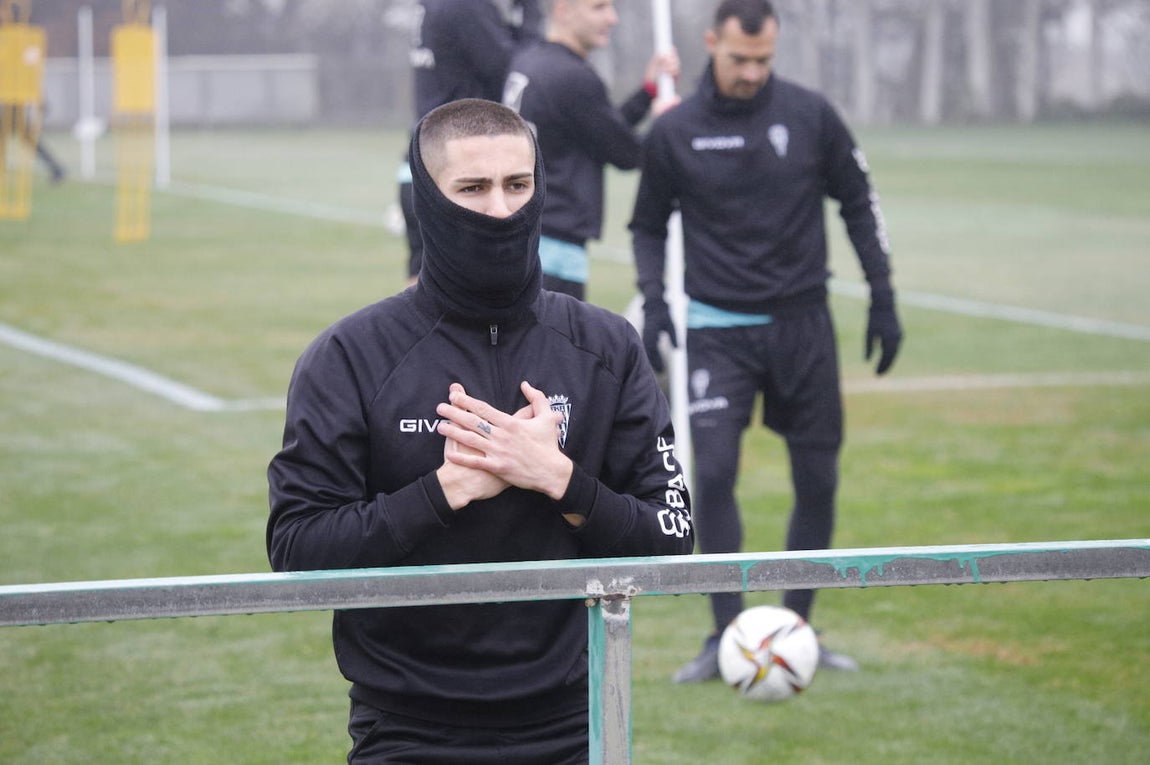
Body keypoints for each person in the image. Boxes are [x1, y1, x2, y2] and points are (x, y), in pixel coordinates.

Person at [268, 98, 693, 763]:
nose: (501, 210)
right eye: (472, 188)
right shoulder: (350, 355)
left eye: (517, 185)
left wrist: (560, 479)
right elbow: (295, 548)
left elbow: (673, 536)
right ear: (427, 201)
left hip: (574, 724)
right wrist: (443, 490)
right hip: (405, 730)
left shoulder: (606, 346)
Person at [628, 0, 903, 682]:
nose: (751, 72)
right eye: (738, 59)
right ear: (711, 43)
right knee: (712, 475)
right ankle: (725, 637)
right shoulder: (676, 131)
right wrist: (657, 307)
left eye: (763, 60)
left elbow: (859, 201)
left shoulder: (811, 117)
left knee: (818, 478)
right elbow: (647, 225)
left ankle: (798, 627)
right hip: (717, 332)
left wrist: (883, 294)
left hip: (803, 327)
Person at [502, 0, 679, 300]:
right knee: (554, 346)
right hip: (555, 248)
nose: (612, 18)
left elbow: (599, 132)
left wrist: (647, 93)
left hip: (524, 236)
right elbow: (626, 153)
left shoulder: (530, 61)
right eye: (599, 7)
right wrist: (668, 125)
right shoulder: (573, 77)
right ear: (563, 9)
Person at [400, 0, 542, 282]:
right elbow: (518, 72)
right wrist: (530, 13)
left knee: (421, 304)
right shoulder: (465, 5)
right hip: (463, 173)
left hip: (422, 162)